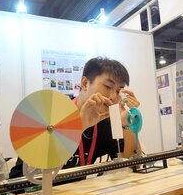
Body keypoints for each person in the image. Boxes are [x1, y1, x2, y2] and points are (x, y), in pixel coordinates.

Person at [10, 57, 140, 178]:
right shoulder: (49, 116)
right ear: (84, 83)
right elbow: (23, 179)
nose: (113, 97)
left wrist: (126, 122)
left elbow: (129, 164)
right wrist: (79, 128)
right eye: (107, 86)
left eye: (118, 91)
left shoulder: (105, 122)